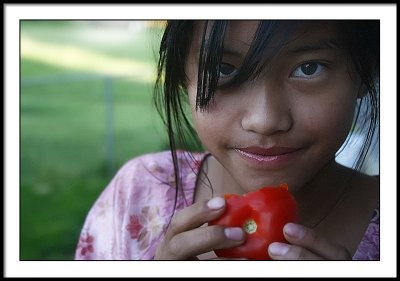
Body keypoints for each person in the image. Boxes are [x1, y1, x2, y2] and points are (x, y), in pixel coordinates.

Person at [74, 20, 379, 260]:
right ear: (183, 77)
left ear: (365, 73)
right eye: (224, 69)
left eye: (308, 68)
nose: (265, 120)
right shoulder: (137, 195)